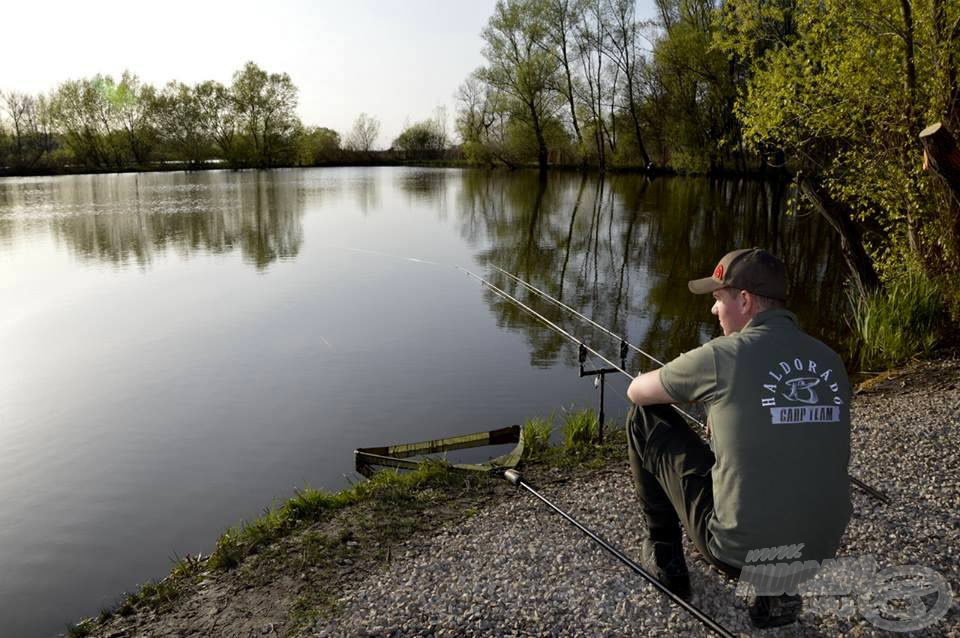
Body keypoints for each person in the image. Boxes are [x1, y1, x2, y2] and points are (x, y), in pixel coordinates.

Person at [625, 247, 852, 628]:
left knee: (644, 418)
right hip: (818, 548)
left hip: (737, 551)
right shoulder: (829, 359)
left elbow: (638, 390)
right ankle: (778, 589)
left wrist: (702, 393)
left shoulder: (723, 355)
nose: (714, 311)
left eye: (718, 299)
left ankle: (665, 556)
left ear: (744, 300)